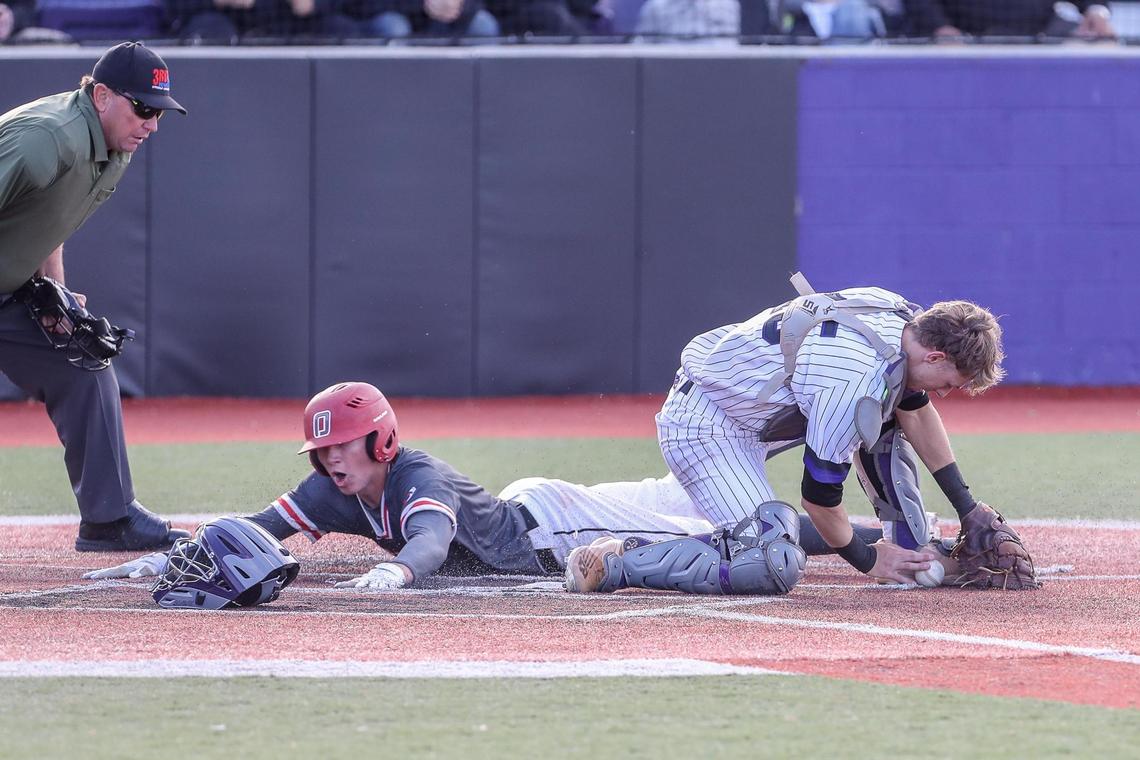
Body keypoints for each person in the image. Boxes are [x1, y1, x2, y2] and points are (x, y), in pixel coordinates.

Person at [84, 380, 886, 589]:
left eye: (346, 448)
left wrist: (397, 568)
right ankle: (911, 544)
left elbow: (430, 539)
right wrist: (169, 559)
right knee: (687, 503)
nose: (332, 462)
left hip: (548, 530)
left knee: (720, 529)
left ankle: (901, 549)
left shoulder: (416, 474)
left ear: (383, 439)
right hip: (542, 509)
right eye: (323, 452)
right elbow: (258, 526)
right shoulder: (333, 487)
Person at [564, 274, 1039, 595]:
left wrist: (967, 506)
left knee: (892, 410)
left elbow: (914, 411)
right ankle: (617, 561)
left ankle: (910, 547)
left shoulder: (899, 318)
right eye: (952, 383)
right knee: (770, 560)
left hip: (761, 406)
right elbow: (819, 497)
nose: (948, 394)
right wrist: (865, 558)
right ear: (936, 356)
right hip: (707, 422)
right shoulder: (850, 382)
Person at [0, 42, 189, 553]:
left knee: (81, 362)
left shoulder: (115, 147)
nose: (152, 123)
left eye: (160, 111)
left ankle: (109, 518)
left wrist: (55, 290)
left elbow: (49, 219)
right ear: (102, 95)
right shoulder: (47, 138)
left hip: (8, 293)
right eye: (144, 108)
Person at [902, 0, 1114, 40]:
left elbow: (1094, 5)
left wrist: (1096, 11)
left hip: (1038, 41)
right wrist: (940, 27)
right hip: (962, 45)